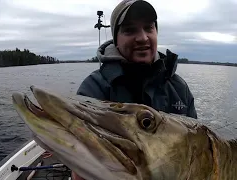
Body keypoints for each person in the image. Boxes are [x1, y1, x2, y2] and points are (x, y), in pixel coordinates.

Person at [73, 0, 197, 178]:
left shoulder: (179, 88)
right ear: (116, 40)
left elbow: (196, 149)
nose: (143, 38)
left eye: (149, 28)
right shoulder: (94, 88)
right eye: (130, 30)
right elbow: (82, 166)